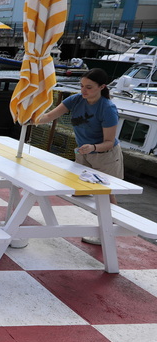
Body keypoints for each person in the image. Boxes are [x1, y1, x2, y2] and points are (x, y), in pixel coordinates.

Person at [35, 67, 124, 244]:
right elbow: (49, 116)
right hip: (84, 152)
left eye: (89, 87)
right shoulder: (76, 99)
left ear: (102, 87)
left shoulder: (107, 108)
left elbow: (108, 141)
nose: (83, 90)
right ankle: (102, 225)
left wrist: (92, 147)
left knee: (106, 194)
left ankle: (108, 232)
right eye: (81, 85)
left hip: (105, 154)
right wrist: (30, 117)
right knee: (80, 191)